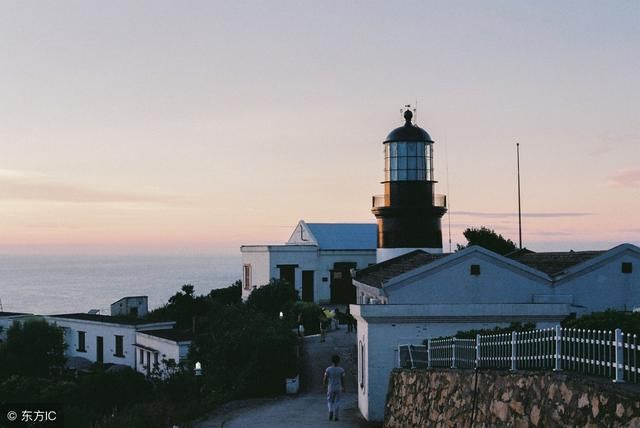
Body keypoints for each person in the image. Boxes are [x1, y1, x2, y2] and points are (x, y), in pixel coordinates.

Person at [323, 354, 345, 421]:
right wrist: (344, 387)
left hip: (331, 387)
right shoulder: (341, 370)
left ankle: (330, 411)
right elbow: (342, 379)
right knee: (338, 401)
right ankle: (336, 416)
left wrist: (324, 385)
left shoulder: (328, 369)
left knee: (330, 401)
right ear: (339, 361)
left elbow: (325, 378)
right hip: (338, 387)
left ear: (332, 361)